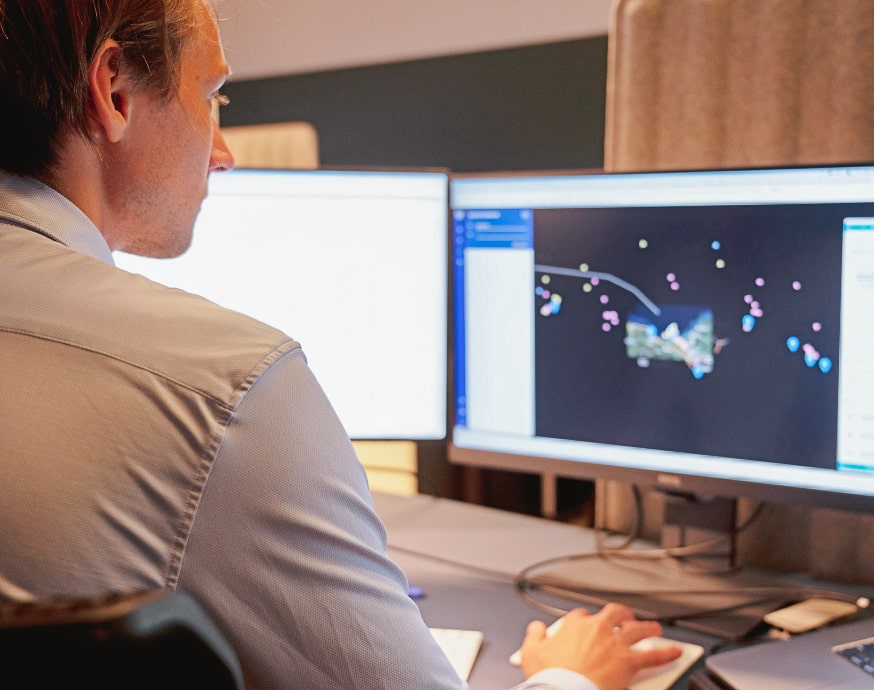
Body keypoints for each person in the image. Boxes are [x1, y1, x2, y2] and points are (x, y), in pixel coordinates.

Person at [0, 1, 682, 688]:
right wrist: (570, 675)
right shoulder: (223, 387)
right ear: (114, 91)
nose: (224, 152)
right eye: (212, 96)